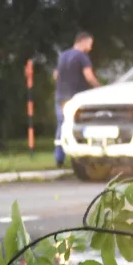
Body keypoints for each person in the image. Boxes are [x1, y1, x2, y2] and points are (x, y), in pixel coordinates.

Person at [53, 32, 100, 165]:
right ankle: (82, 156)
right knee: (81, 125)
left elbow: (56, 75)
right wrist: (99, 87)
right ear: (83, 41)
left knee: (61, 124)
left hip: (60, 95)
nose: (90, 48)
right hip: (76, 98)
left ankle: (58, 157)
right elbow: (89, 76)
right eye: (90, 44)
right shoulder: (82, 57)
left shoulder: (63, 55)